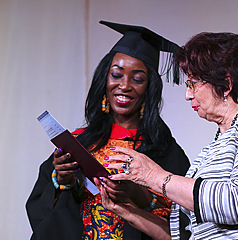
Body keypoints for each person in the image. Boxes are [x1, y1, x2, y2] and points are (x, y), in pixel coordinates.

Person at [98, 32, 238, 239]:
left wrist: (154, 177)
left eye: (192, 83)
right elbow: (182, 235)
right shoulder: (210, 152)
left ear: (226, 85)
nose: (187, 95)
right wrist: (127, 211)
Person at [26, 21, 190, 240]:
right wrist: (62, 182)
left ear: (149, 89)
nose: (124, 85)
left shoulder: (164, 150)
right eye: (116, 75)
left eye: (138, 79)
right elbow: (40, 211)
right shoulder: (79, 142)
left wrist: (138, 196)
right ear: (105, 79)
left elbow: (183, 225)